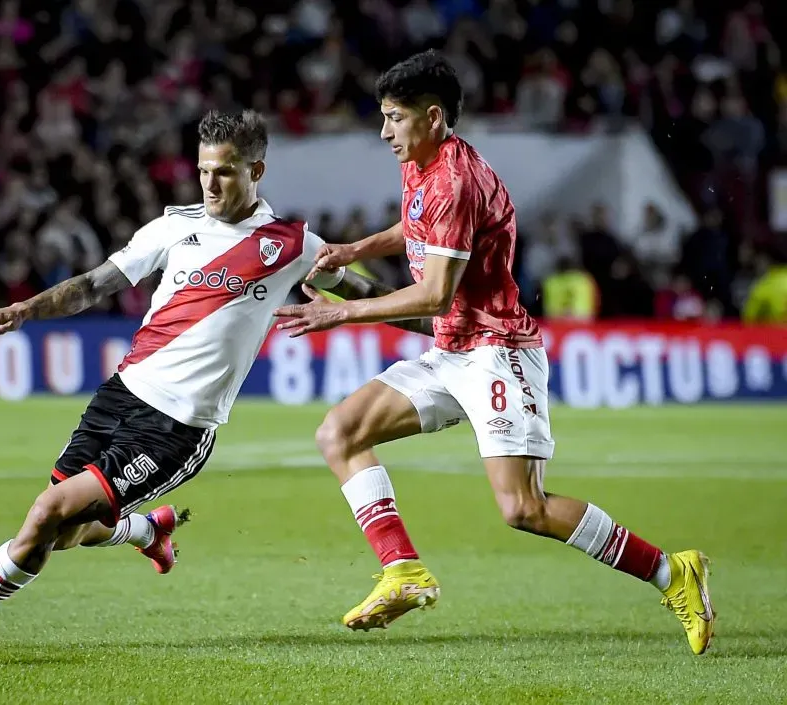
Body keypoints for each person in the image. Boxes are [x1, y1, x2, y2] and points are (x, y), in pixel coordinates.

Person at [0, 109, 427, 651]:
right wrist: (25, 308)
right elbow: (94, 285)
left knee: (46, 515)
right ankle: (147, 531)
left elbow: (362, 294)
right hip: (120, 394)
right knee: (60, 532)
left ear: (256, 172)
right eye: (204, 170)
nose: (211, 183)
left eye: (226, 171)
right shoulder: (174, 226)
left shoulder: (292, 245)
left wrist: (444, 324)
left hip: (178, 428)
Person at [274, 50, 715, 655]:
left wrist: (340, 311)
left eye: (394, 118)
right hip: (451, 348)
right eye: (382, 117)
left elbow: (434, 292)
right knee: (339, 433)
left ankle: (673, 572)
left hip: (496, 351)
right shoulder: (423, 163)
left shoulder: (456, 178)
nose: (384, 132)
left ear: (432, 117)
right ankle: (403, 571)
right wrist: (357, 250)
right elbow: (417, 224)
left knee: (524, 508)